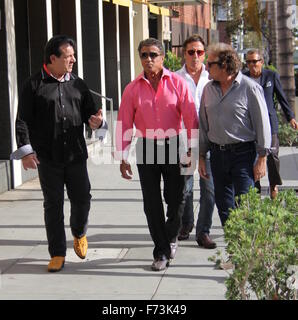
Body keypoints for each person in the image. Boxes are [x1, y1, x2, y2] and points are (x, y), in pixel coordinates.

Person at [11, 35, 107, 272]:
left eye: (74, 55)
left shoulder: (78, 84)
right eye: (68, 56)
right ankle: (56, 253)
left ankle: (79, 232)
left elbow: (92, 115)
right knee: (52, 205)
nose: (73, 60)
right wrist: (26, 151)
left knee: (82, 198)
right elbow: (22, 120)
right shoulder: (33, 85)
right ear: (53, 58)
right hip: (48, 157)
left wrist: (97, 122)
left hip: (76, 155)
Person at [115, 38, 198, 271]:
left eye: (153, 55)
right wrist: (122, 157)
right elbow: (124, 122)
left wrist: (193, 148)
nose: (148, 59)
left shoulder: (178, 83)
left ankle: (171, 236)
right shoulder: (132, 88)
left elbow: (191, 117)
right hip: (147, 147)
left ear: (163, 57)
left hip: (174, 145)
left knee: (177, 198)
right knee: (151, 203)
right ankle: (161, 251)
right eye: (144, 55)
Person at [198, 43, 271, 227]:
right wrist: (200, 156)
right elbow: (203, 125)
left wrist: (262, 158)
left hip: (243, 155)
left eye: (210, 63)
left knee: (245, 203)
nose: (206, 67)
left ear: (224, 64)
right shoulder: (208, 90)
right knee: (224, 205)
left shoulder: (250, 88)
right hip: (216, 155)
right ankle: (234, 246)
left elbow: (263, 124)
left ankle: (247, 250)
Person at [176, 34, 216, 249]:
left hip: (209, 142)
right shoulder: (174, 78)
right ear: (184, 53)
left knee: (209, 189)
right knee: (185, 189)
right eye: (191, 52)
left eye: (199, 52)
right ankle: (187, 224)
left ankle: (204, 231)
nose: (195, 56)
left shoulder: (213, 79)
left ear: (204, 54)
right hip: (184, 141)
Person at [244, 49, 297, 199]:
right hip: (251, 125)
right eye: (248, 62)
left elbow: (281, 97)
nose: (252, 65)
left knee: (273, 156)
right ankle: (256, 186)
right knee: (254, 156)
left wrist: (290, 117)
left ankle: (273, 184)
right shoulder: (243, 78)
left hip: (270, 123)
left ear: (261, 61)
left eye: (254, 61)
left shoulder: (271, 76)